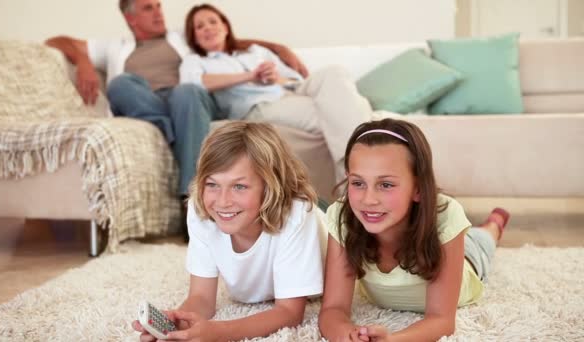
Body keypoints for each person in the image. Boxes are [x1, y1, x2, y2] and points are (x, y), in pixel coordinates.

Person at [44, 0, 309, 203]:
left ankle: (190, 198)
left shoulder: (180, 37)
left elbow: (224, 37)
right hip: (149, 103)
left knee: (186, 91)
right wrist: (84, 63)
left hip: (191, 102)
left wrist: (277, 47)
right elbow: (56, 40)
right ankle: (173, 131)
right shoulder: (116, 45)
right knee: (120, 84)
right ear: (131, 18)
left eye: (159, 5)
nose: (159, 12)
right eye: (149, 8)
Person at [318, 118, 511, 341]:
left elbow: (441, 319)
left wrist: (392, 340)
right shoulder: (343, 216)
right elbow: (333, 309)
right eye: (358, 183)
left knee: (482, 240)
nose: (368, 199)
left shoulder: (447, 216)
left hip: (466, 258)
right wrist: (347, 336)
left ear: (418, 189)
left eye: (386, 184)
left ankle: (494, 224)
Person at [132, 121, 327, 341]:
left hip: (323, 220)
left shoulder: (298, 213)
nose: (223, 201)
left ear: (270, 187)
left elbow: (290, 313)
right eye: (212, 184)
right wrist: (181, 326)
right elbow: (202, 298)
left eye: (239, 186)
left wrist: (217, 332)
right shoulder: (201, 209)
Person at [180, 3, 373, 182]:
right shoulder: (195, 61)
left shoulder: (255, 51)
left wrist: (275, 78)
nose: (207, 28)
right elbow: (194, 82)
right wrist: (249, 76)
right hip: (261, 105)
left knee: (335, 73)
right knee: (338, 112)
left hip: (291, 90)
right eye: (199, 26)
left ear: (225, 26)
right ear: (194, 37)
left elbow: (294, 80)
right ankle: (356, 169)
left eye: (213, 22)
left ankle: (357, 165)